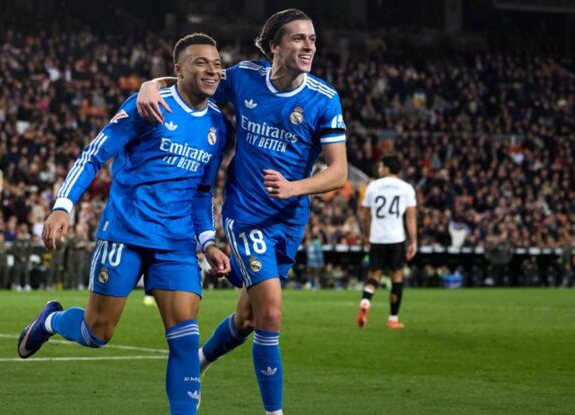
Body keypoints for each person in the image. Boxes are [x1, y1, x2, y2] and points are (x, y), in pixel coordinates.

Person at [137, 9, 348, 415]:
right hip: (247, 215)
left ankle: (199, 362)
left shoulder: (324, 99)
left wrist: (295, 187)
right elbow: (193, 81)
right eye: (298, 38)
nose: (309, 46)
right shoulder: (245, 77)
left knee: (247, 319)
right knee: (271, 312)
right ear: (274, 46)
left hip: (290, 220)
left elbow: (338, 172)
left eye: (312, 39)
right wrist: (151, 85)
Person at [18, 33, 231, 415]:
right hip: (126, 232)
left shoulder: (218, 124)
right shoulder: (148, 105)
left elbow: (203, 192)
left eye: (217, 63)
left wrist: (207, 242)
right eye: (201, 62)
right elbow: (94, 155)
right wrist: (63, 206)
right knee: (96, 333)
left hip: (177, 242)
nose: (212, 70)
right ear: (178, 69)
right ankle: (51, 321)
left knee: (186, 339)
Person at [357, 154, 417, 330]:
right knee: (396, 278)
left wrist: (366, 234)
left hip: (377, 238)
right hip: (396, 238)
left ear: (388, 168)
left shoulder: (373, 186)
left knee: (374, 276)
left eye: (381, 166)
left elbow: (364, 215)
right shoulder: (406, 188)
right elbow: (411, 218)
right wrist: (414, 241)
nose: (379, 169)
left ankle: (366, 300)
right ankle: (393, 319)